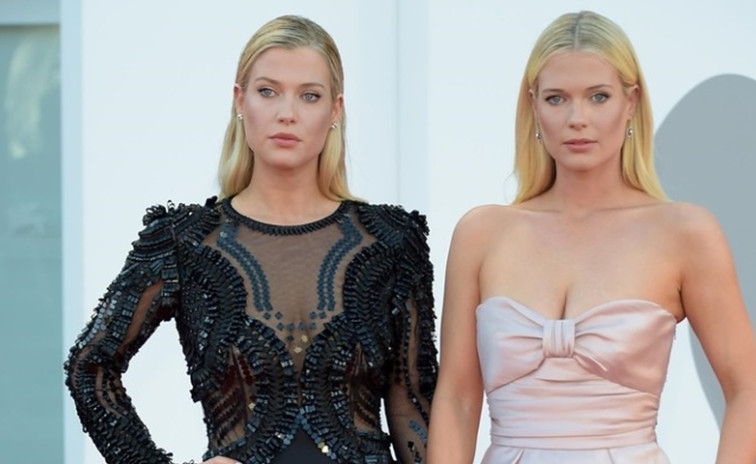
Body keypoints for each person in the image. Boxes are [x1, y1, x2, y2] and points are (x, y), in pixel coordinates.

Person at [65, 15, 437, 464]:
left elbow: (412, 402)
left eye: (309, 95)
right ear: (240, 100)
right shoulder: (184, 241)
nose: (287, 113)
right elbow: (90, 368)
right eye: (268, 91)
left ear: (335, 111)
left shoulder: (391, 240)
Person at [426, 10, 756, 464]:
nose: (577, 118)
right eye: (557, 99)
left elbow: (747, 388)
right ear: (534, 105)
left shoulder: (685, 232)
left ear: (631, 102)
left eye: (598, 97)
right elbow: (458, 399)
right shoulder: (481, 234)